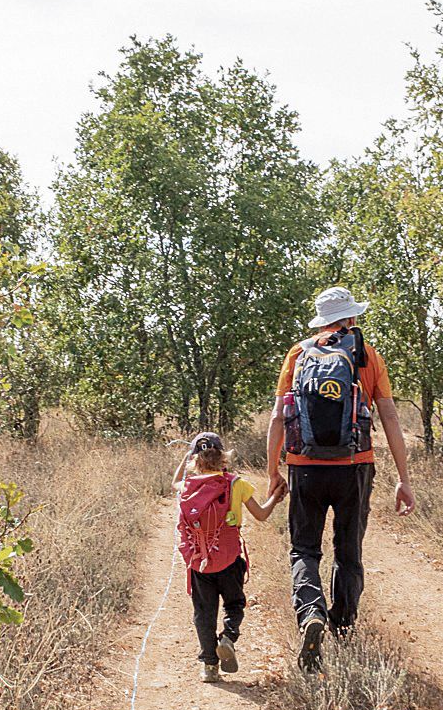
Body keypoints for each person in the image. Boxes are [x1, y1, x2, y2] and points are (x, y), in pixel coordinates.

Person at [266, 287, 415, 672]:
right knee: (348, 550)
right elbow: (391, 418)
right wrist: (403, 477)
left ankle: (311, 613)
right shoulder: (367, 355)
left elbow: (277, 418)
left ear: (321, 319)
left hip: (305, 465)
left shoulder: (298, 354)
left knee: (304, 549)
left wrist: (273, 472)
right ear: (351, 318)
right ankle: (343, 627)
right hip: (355, 465)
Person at [174, 432, 284, 682]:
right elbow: (262, 515)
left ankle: (209, 667)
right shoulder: (236, 484)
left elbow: (175, 482)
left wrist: (184, 460)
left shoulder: (187, 489)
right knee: (234, 604)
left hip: (199, 563)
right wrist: (276, 497)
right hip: (230, 558)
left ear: (195, 460)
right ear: (223, 457)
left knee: (204, 613)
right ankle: (228, 637)